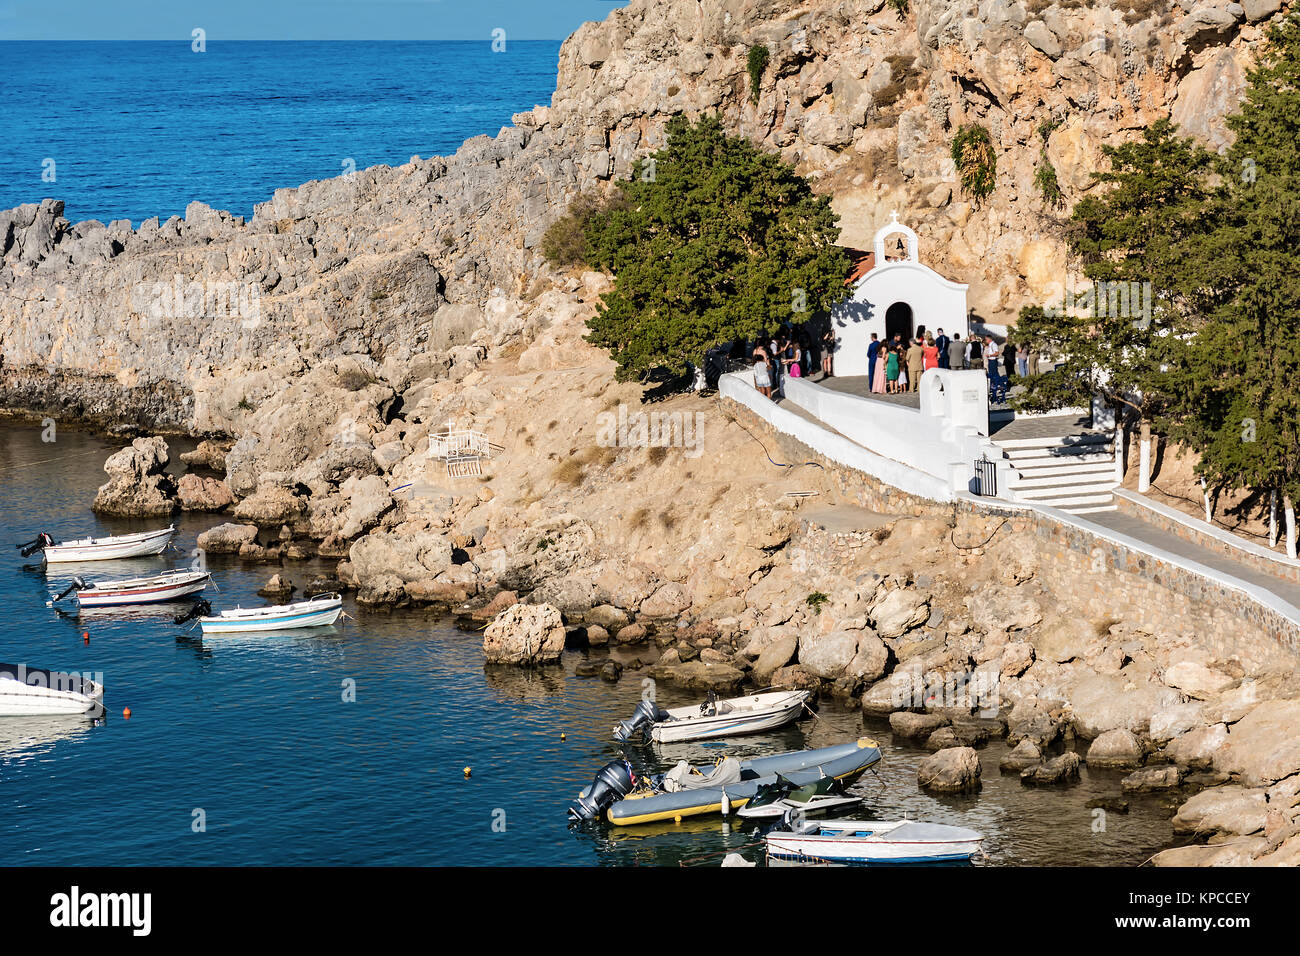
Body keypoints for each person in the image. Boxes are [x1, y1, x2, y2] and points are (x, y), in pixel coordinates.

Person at [984, 335, 1004, 401]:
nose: (985, 341)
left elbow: (997, 353)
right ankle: (996, 387)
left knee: (994, 374)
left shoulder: (993, 345)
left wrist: (989, 355)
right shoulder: (990, 345)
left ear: (989, 339)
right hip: (990, 360)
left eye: (986, 339)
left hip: (993, 361)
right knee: (993, 375)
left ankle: (1000, 387)